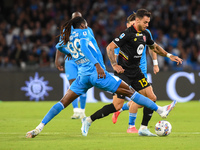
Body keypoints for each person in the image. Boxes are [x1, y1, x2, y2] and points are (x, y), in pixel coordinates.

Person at [26, 16, 178, 138]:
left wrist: (70, 55)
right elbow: (85, 46)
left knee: (62, 102)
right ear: (82, 25)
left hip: (82, 77)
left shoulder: (66, 37)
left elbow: (59, 47)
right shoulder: (83, 31)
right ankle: (160, 110)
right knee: (131, 92)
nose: (86, 27)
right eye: (85, 25)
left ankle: (38, 128)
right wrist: (97, 65)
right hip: (97, 73)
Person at [81, 9, 182, 136]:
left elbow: (154, 47)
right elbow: (110, 47)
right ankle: (89, 120)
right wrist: (114, 65)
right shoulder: (127, 34)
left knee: (152, 97)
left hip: (136, 71)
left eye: (148, 22)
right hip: (123, 73)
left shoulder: (145, 34)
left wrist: (169, 55)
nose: (147, 25)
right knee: (117, 106)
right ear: (137, 20)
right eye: (145, 22)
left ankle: (143, 128)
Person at [111, 12, 159, 136]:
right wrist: (117, 68)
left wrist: (155, 63)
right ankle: (131, 126)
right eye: (130, 24)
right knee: (141, 99)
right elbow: (115, 54)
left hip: (141, 71)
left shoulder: (144, 34)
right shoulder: (125, 37)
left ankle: (121, 111)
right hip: (128, 72)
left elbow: (152, 48)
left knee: (147, 99)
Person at [55, 12, 89, 119]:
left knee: (83, 85)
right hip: (70, 60)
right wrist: (57, 60)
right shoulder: (66, 30)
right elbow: (60, 45)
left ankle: (82, 110)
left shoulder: (85, 29)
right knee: (73, 85)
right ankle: (76, 111)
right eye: (75, 18)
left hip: (82, 59)